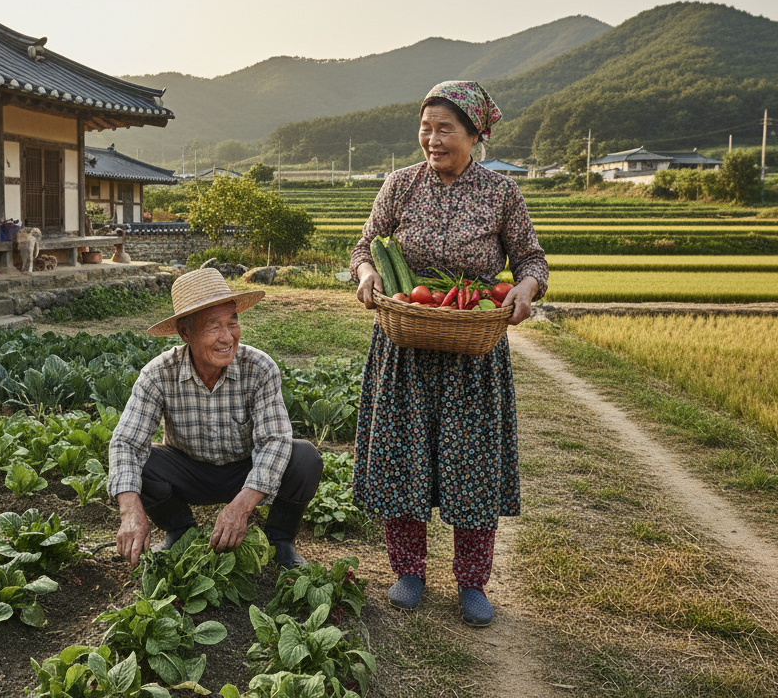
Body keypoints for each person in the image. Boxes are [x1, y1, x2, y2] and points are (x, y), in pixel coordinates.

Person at [351, 81, 548, 627]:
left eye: (445, 129)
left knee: (473, 464)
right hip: (406, 346)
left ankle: (471, 582)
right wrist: (367, 273)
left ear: (474, 134)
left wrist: (526, 290)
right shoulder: (400, 185)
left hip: (472, 352)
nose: (431, 139)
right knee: (403, 455)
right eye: (425, 127)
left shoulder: (501, 193)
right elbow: (365, 245)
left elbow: (531, 259)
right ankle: (408, 571)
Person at [109, 268, 323, 569]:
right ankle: (180, 530)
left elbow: (273, 441)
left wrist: (242, 506)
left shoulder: (259, 368)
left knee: (304, 458)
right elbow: (126, 443)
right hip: (189, 471)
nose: (227, 337)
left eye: (232, 323)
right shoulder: (158, 374)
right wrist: (129, 510)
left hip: (244, 470)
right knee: (141, 462)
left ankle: (280, 540)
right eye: (214, 326)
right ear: (185, 333)